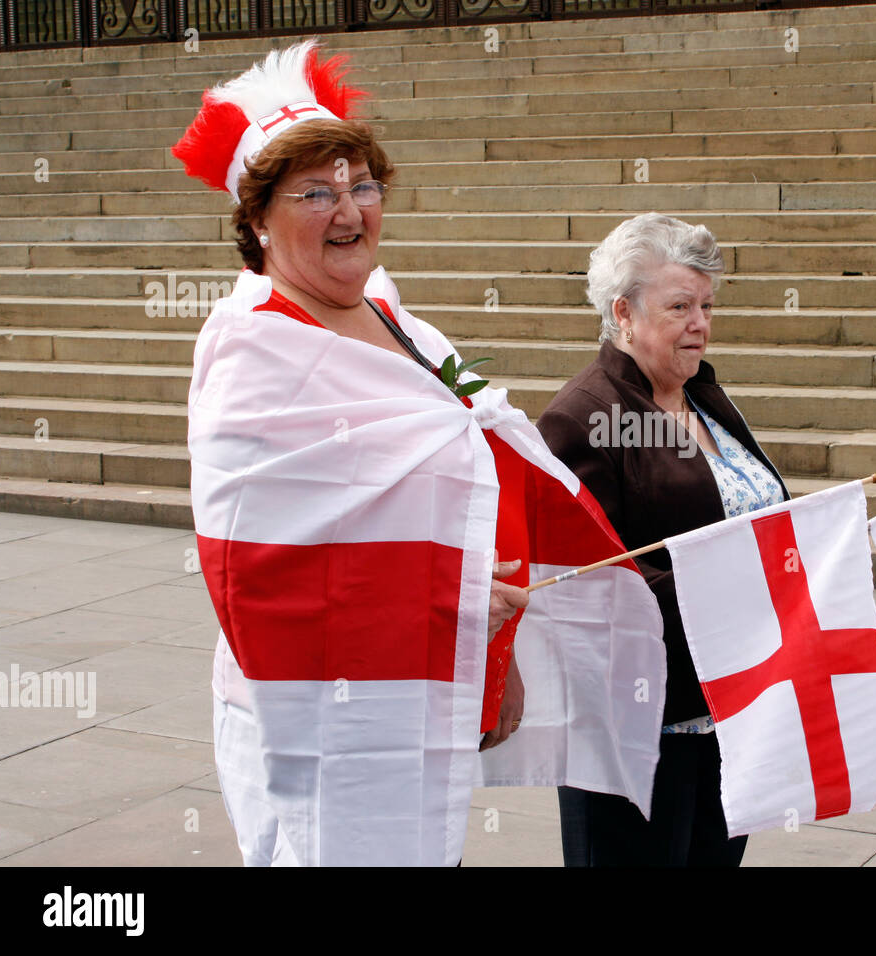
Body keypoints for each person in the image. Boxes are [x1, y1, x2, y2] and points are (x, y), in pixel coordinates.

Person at [176, 41, 664, 866]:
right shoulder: (251, 353)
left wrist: (487, 659)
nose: (349, 210)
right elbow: (262, 569)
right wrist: (458, 601)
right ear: (256, 220)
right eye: (315, 192)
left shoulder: (402, 323)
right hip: (316, 708)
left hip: (418, 683)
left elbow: (469, 481)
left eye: (362, 185)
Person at [538, 213, 790, 866]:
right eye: (680, 306)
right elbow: (584, 580)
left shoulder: (703, 396)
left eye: (706, 305)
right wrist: (736, 585)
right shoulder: (583, 419)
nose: (700, 323)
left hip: (731, 711)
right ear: (623, 313)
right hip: (641, 733)